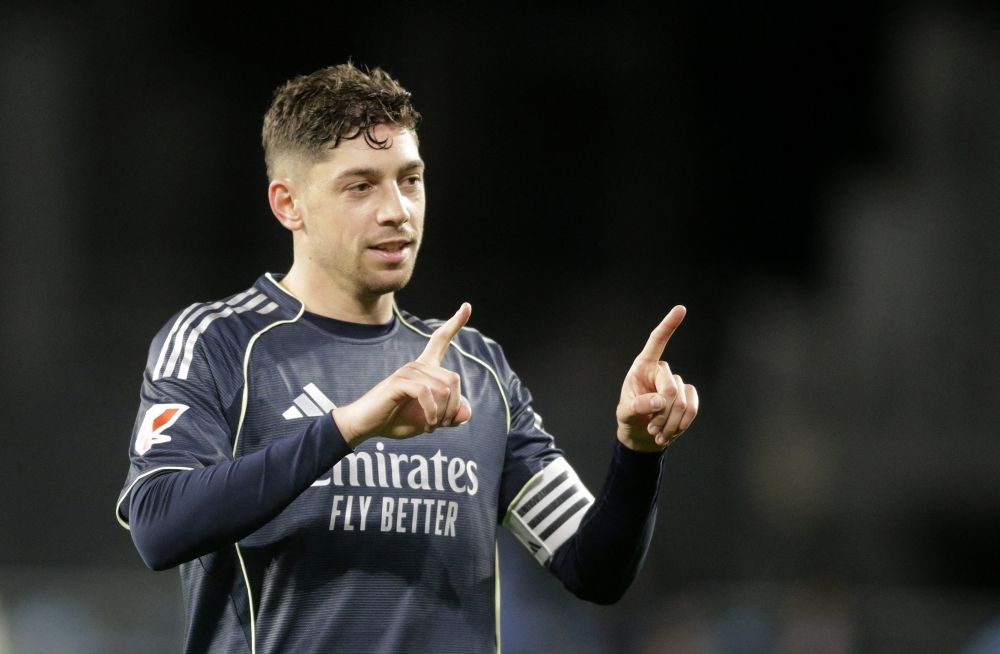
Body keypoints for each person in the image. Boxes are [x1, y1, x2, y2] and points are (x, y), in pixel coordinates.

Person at [115, 63, 699, 654]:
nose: (397, 209)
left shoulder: (476, 368)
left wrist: (637, 452)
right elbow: (159, 525)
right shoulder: (219, 344)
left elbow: (595, 570)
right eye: (360, 186)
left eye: (410, 180)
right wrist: (348, 426)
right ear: (289, 204)